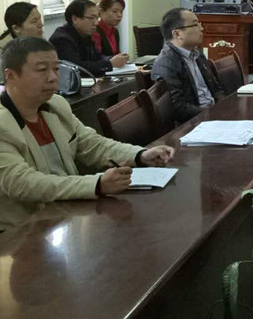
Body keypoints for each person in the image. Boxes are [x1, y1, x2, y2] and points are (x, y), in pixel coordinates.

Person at [0, 37, 174, 230]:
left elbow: (92, 144)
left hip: (65, 215)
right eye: (42, 70)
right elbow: (21, 183)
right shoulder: (3, 123)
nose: (53, 78)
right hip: (22, 230)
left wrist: (140, 155)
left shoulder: (56, 105)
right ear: (11, 75)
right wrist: (96, 184)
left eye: (56, 69)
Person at [151, 7, 224, 124]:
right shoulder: (166, 63)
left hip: (213, 115)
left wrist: (224, 107)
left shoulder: (197, 53)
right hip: (194, 123)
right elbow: (178, 108)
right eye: (195, 25)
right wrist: (211, 113)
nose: (201, 28)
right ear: (177, 34)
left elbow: (216, 89)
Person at [49, 0, 129, 77]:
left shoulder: (85, 33)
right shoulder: (62, 39)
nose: (96, 23)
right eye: (91, 18)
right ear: (75, 19)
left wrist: (114, 59)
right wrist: (110, 64)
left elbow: (96, 57)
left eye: (97, 18)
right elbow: (76, 67)